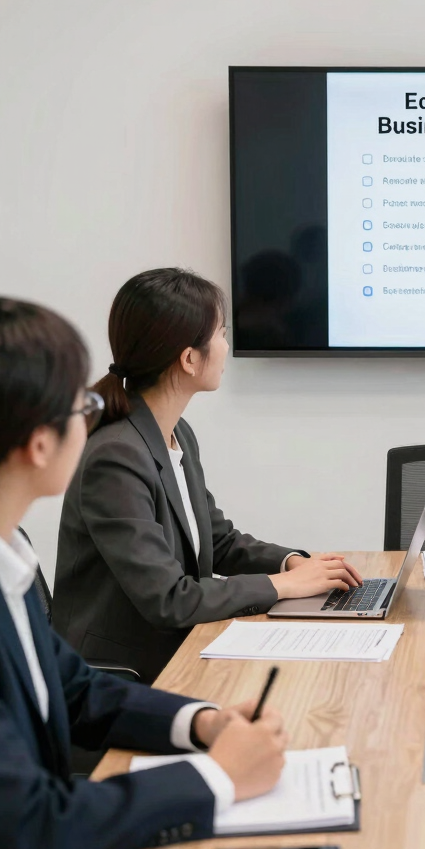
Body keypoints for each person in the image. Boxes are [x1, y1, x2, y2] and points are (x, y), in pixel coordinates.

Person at [0, 296, 290, 849]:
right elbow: (33, 825)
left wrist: (202, 722)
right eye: (82, 405)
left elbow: (72, 689)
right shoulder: (114, 456)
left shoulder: (5, 552)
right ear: (41, 444)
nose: (95, 414)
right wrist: (216, 780)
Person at [53, 268, 362, 681]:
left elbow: (216, 540)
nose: (226, 345)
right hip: (119, 676)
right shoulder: (116, 458)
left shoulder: (176, 433)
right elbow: (168, 599)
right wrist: (283, 586)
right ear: (189, 358)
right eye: (221, 333)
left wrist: (293, 563)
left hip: (175, 651)